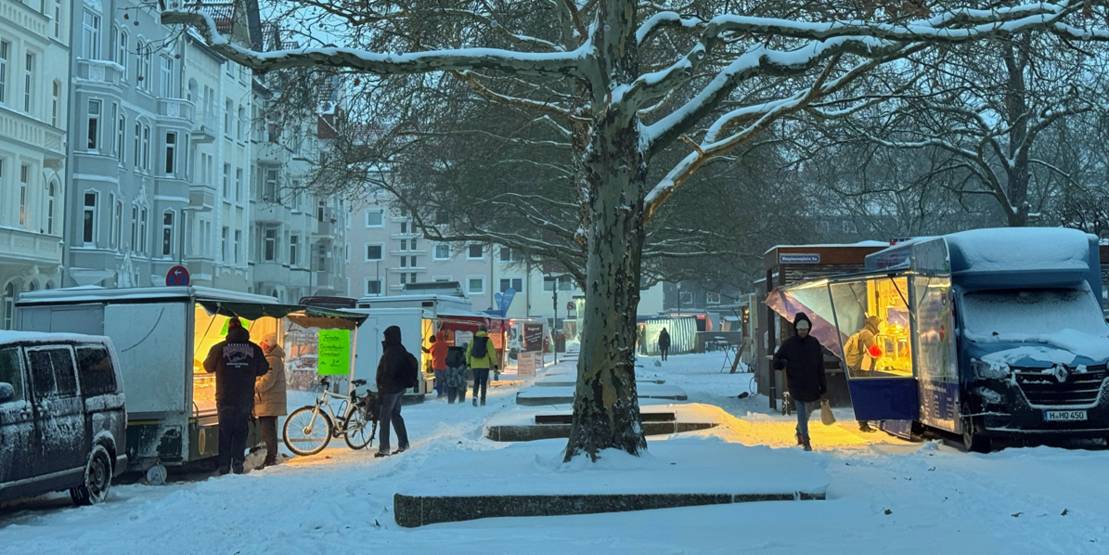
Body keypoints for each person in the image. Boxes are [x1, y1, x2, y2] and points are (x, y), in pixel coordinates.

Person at [204, 318, 269, 474]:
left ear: (229, 330)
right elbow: (263, 368)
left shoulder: (219, 348)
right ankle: (238, 464)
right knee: (241, 430)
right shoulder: (254, 349)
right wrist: (249, 370)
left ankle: (224, 465)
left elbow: (207, 366)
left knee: (225, 430)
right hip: (245, 396)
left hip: (224, 396)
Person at [772, 313, 827, 451]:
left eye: (805, 329)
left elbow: (820, 366)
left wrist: (823, 386)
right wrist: (782, 362)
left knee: (808, 409)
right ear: (796, 329)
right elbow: (776, 360)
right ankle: (806, 439)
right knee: (802, 410)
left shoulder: (814, 343)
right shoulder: (789, 344)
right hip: (796, 383)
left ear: (808, 329)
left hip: (812, 383)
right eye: (800, 330)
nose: (802, 332)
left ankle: (799, 429)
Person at [375, 325, 416, 457]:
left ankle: (384, 448)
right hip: (399, 388)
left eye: (386, 336)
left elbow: (388, 372)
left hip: (390, 389)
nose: (384, 339)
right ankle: (403, 444)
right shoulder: (400, 349)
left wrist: (382, 389)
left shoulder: (391, 352)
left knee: (384, 417)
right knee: (395, 415)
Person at [843, 315, 882, 433]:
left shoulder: (860, 333)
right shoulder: (867, 334)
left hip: (856, 367)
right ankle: (864, 424)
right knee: (865, 396)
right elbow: (875, 352)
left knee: (862, 395)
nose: (880, 326)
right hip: (861, 368)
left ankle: (864, 422)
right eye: (879, 324)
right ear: (874, 324)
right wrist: (884, 354)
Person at [255, 334, 287, 467]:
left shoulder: (272, 360)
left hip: (269, 400)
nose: (260, 345)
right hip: (269, 400)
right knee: (269, 429)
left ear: (267, 345)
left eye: (262, 343)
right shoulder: (272, 358)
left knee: (267, 430)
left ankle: (270, 458)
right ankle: (270, 456)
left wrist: (252, 386)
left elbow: (267, 381)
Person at [466, 327, 498, 406]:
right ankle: (483, 400)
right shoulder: (487, 340)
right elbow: (492, 353)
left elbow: (468, 352)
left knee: (476, 382)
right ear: (485, 331)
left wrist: (468, 363)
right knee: (483, 383)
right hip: (484, 365)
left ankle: (474, 396)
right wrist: (495, 364)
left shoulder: (473, 340)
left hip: (474, 365)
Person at [423, 332, 449, 399]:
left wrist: (421, 346)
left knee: (439, 380)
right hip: (445, 365)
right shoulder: (446, 344)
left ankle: (439, 394)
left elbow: (427, 351)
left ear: (437, 337)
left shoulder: (434, 345)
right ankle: (446, 392)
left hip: (436, 365)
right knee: (445, 380)